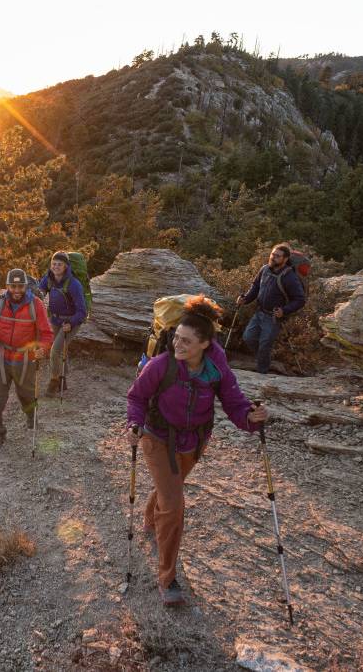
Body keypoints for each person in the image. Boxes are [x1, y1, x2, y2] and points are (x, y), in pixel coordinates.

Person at [125, 295, 268, 606]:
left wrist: (250, 418)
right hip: (157, 436)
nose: (178, 345)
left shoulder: (217, 368)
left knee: (168, 492)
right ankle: (167, 579)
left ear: (205, 344)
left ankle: (151, 518)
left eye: (186, 341)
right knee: (174, 504)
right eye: (176, 338)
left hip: (195, 440)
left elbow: (234, 402)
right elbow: (136, 397)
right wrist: (134, 424)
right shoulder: (161, 365)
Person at [0, 268, 54, 448]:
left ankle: (31, 415)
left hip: (25, 359)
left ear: (25, 286)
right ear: (7, 286)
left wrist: (42, 349)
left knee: (26, 395)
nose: (17, 290)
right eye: (13, 286)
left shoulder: (36, 305)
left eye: (20, 286)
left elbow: (46, 334)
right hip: (1, 357)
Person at [236, 243, 306, 374]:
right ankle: (264, 358)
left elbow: (300, 300)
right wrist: (245, 299)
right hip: (259, 312)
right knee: (248, 338)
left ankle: (262, 372)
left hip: (273, 317)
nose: (273, 257)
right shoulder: (265, 269)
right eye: (272, 254)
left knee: (264, 344)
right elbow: (255, 287)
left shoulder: (289, 277)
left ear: (285, 259)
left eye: (277, 256)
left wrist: (284, 311)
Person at [38, 251, 87, 397]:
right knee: (61, 350)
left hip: (71, 322)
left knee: (55, 351)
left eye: (59, 264)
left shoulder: (74, 284)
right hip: (56, 320)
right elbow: (39, 291)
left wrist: (71, 323)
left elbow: (82, 312)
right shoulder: (48, 278)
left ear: (66, 266)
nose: (56, 266)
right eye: (54, 263)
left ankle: (54, 381)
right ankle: (63, 379)